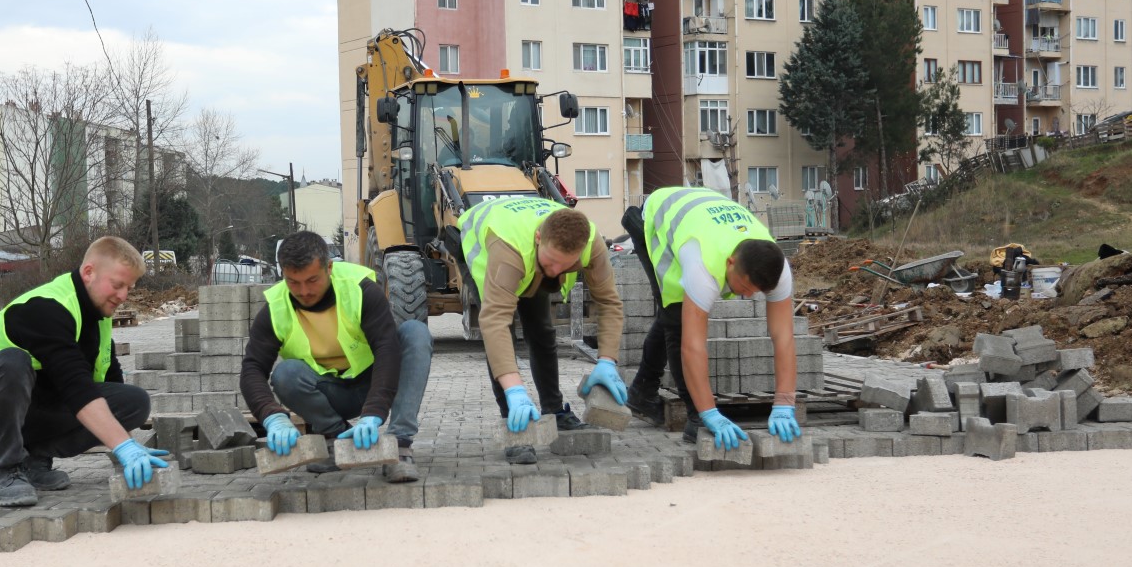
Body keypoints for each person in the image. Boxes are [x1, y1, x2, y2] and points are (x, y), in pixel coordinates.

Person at [0, 236, 167, 508]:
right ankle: (4, 471)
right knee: (13, 362)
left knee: (134, 401)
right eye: (117, 285)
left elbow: (110, 387)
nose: (123, 296)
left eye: (129, 288)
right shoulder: (47, 308)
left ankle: (33, 461)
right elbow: (76, 388)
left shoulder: (97, 319)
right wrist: (122, 445)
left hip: (24, 410)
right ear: (89, 272)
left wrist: (127, 447)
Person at [240, 231, 431, 483]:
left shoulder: (360, 289)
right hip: (330, 394)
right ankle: (336, 440)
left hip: (376, 383)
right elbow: (252, 368)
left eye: (312, 280)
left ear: (329, 267)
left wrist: (374, 412)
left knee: (415, 333)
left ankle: (400, 444)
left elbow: (386, 348)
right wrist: (272, 416)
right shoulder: (275, 308)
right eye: (293, 282)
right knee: (285, 374)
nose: (304, 291)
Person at [620, 187, 800, 451]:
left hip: (701, 216)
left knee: (674, 315)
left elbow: (783, 336)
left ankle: (641, 392)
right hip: (657, 218)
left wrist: (784, 402)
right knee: (677, 319)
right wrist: (709, 412)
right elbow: (692, 346)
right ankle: (695, 416)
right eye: (746, 286)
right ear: (730, 263)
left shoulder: (779, 269)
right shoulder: (702, 265)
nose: (749, 296)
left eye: (757, 292)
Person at [457, 197, 626, 465]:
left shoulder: (590, 242)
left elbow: (609, 303)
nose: (556, 271)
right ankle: (515, 421)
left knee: (542, 331)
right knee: (503, 334)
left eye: (566, 264)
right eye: (553, 261)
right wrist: (515, 390)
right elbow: (494, 321)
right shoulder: (510, 248)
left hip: (528, 255)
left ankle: (554, 410)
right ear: (539, 238)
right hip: (487, 248)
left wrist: (607, 360)